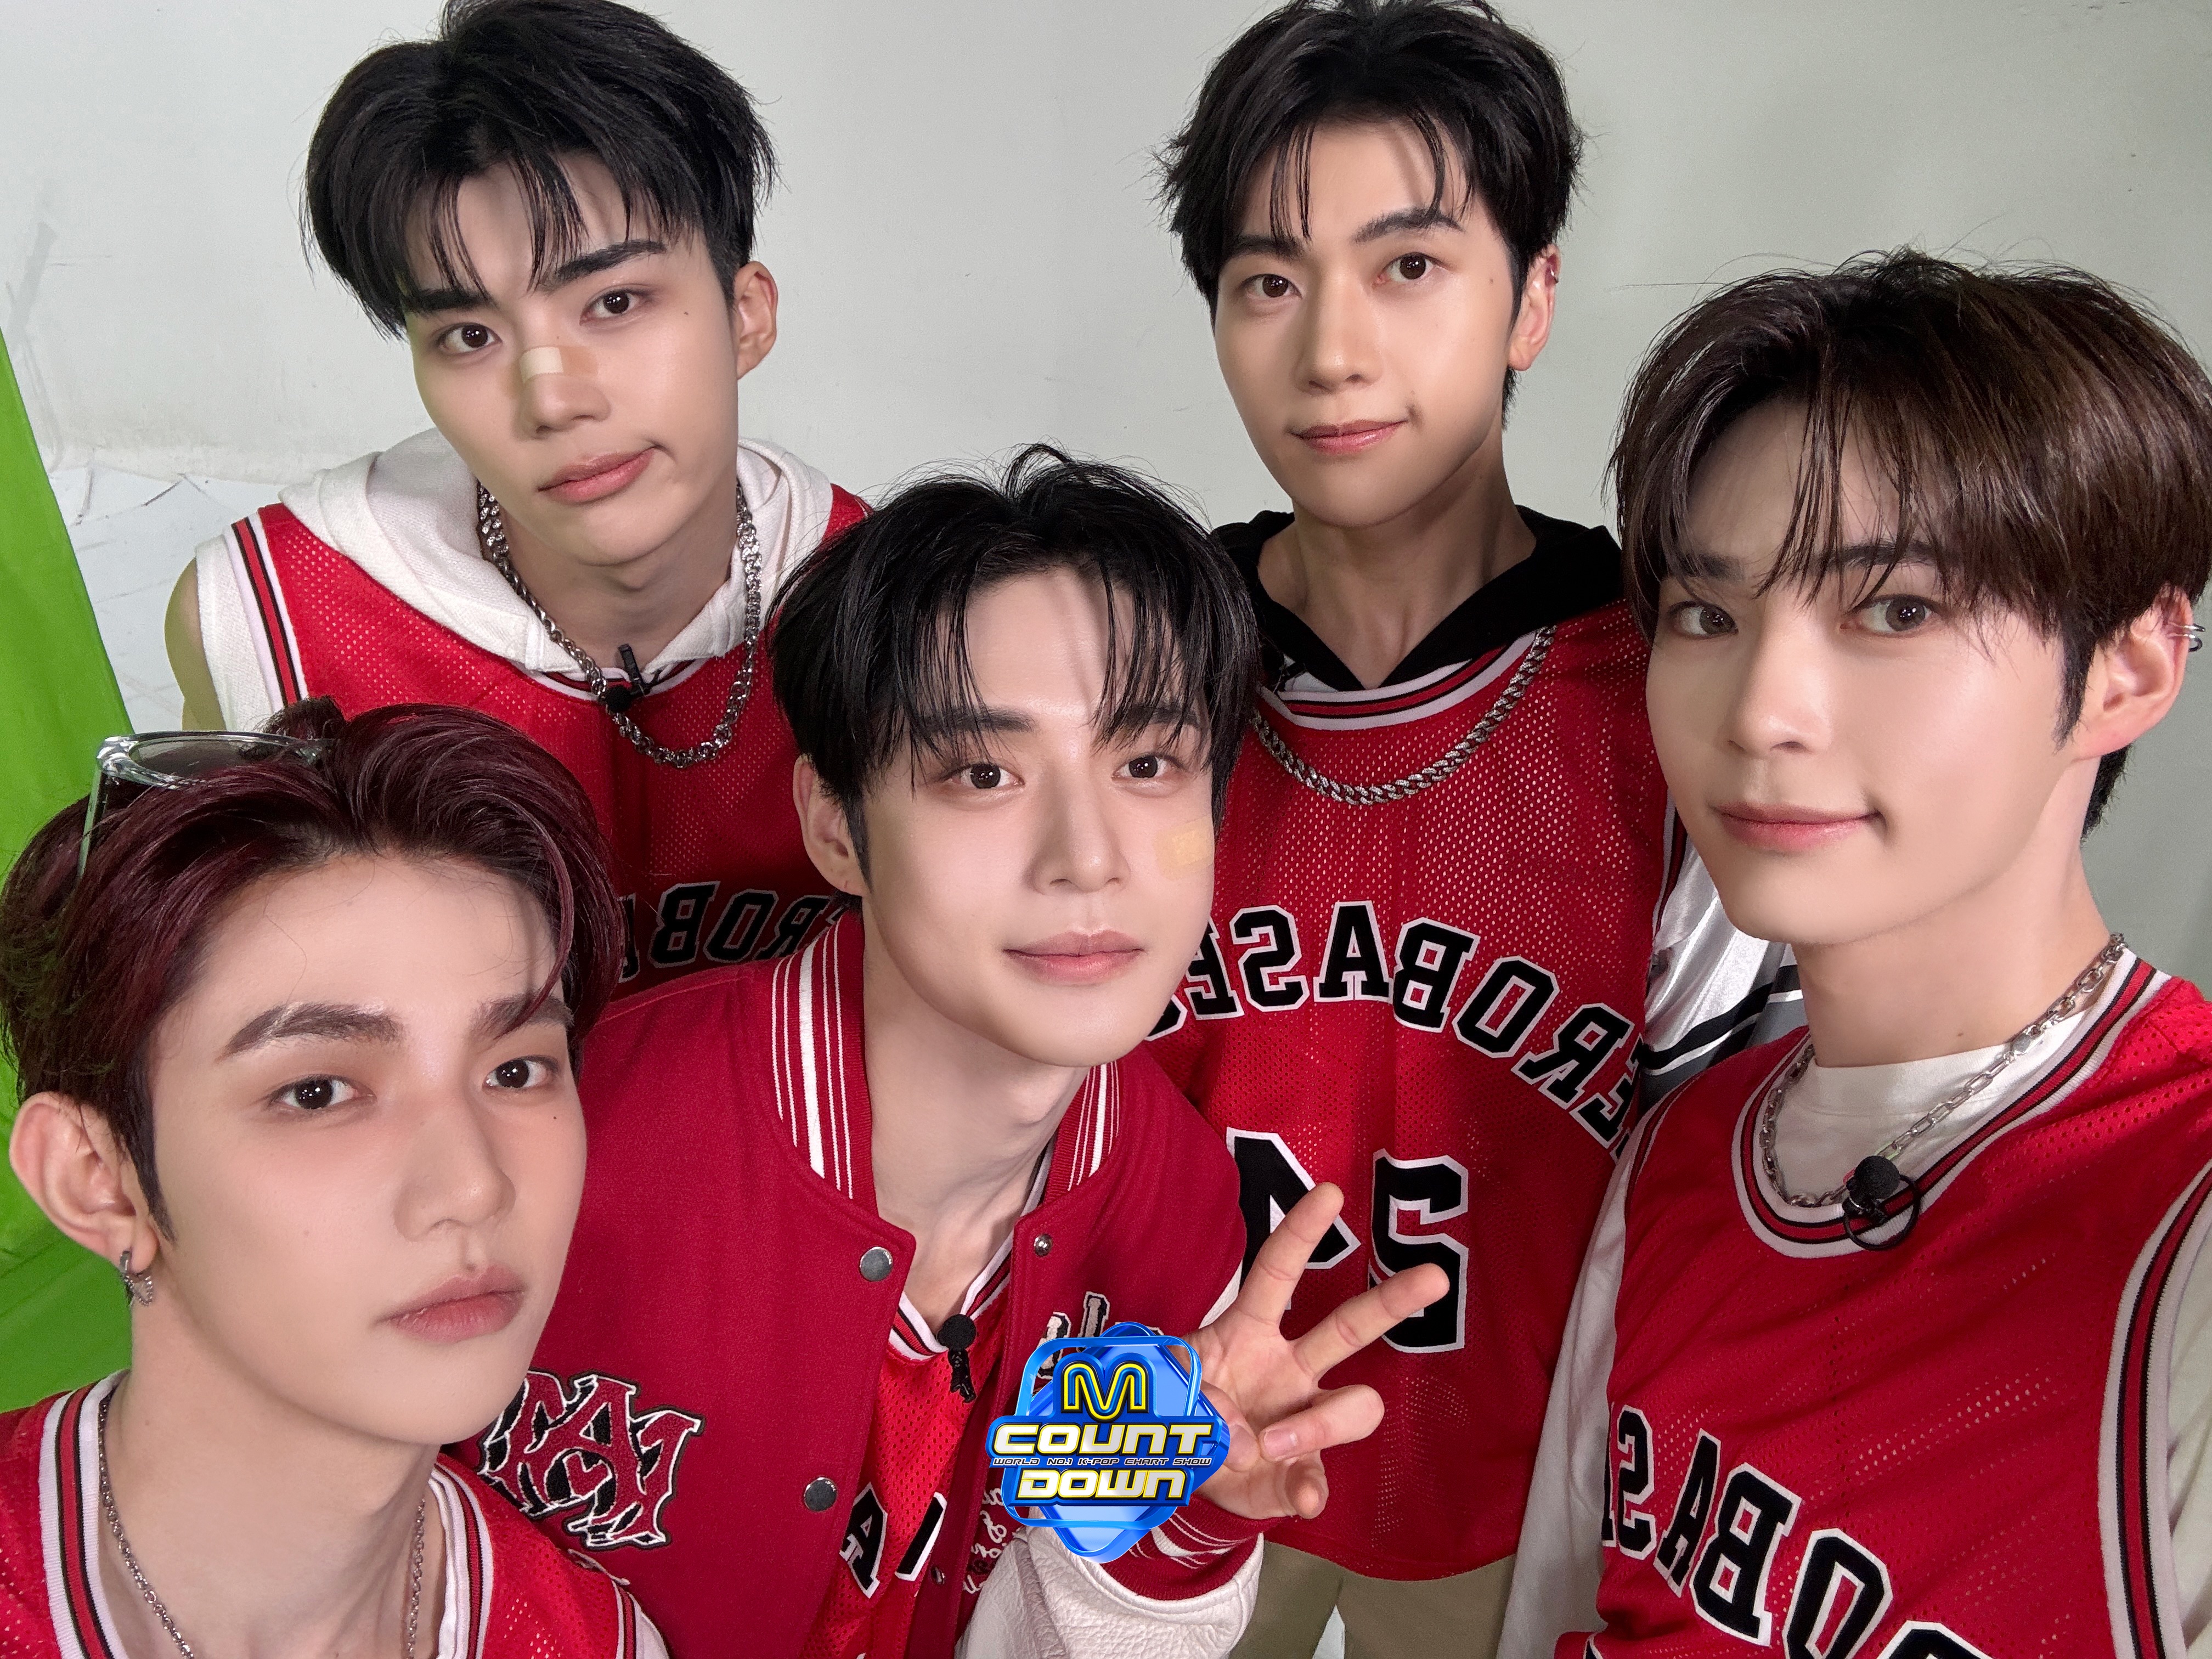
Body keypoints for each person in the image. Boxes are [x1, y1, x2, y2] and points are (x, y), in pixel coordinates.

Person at [475, 448, 1448, 1658]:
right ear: (836, 826)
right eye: (984, 773)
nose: (1087, 857)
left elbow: (1047, 1630)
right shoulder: (573, 1134)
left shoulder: (1171, 1203)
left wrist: (1182, 1520)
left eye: (1147, 765)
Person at [1148, 2, 1792, 1651]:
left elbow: (1744, 1172)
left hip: (1536, 1497)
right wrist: (1088, 1479)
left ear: (1535, 296)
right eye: (1268, 281)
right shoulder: (1122, 670)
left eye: (1411, 266)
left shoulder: (1677, 681)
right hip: (1159, 1461)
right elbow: (1009, 1151)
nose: (1332, 351)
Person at [1501, 251, 2212, 1657]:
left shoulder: (2174, 1220)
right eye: (1708, 615)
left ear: (2127, 668)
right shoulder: (1679, 1159)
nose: (1761, 710)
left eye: (1895, 610)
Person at [163, 0, 864, 997]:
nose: (553, 398)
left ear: (745, 315)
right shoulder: (273, 620)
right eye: (471, 337)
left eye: (614, 302)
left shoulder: (887, 602)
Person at [0, 701, 664, 1656]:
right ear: (98, 1180)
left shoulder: (594, 1640)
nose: (473, 1187)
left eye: (517, 1070)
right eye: (317, 1092)